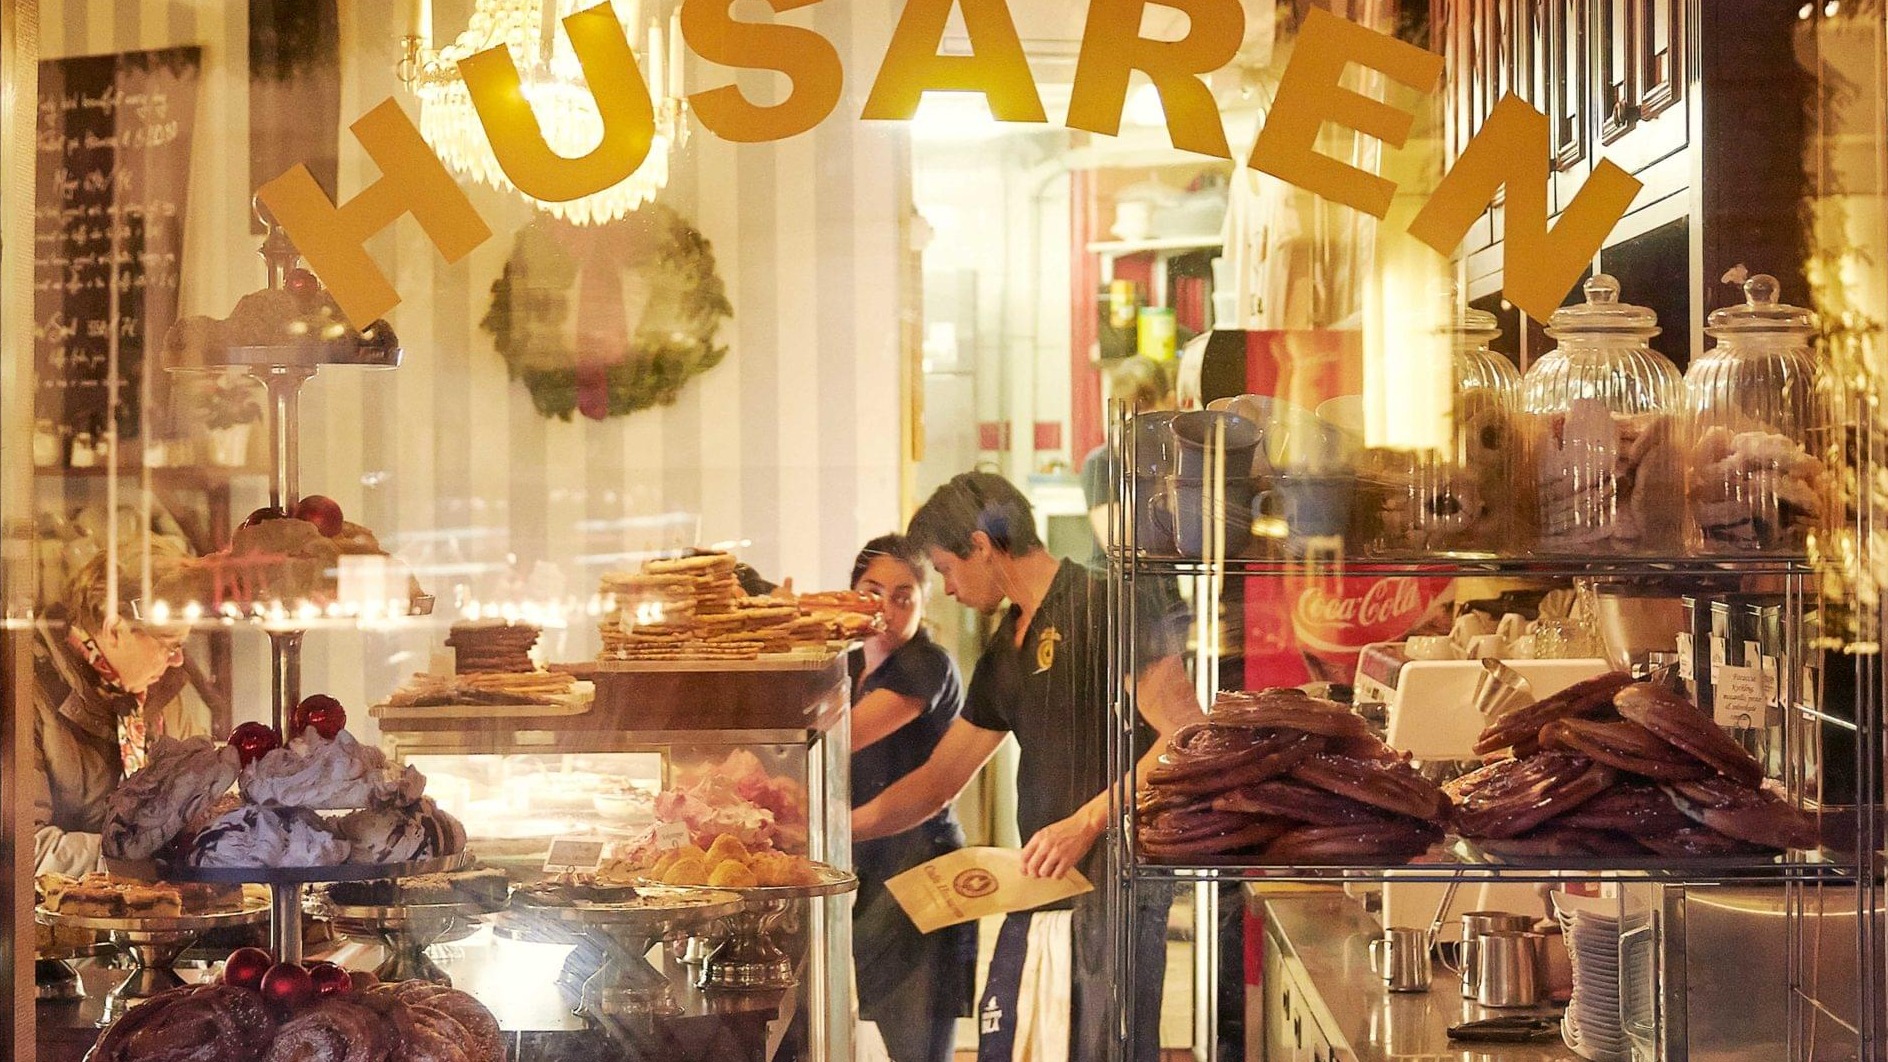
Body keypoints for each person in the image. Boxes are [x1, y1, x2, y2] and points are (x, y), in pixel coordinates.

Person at [852, 472, 1202, 1062]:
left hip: (1117, 888)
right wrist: (833, 831)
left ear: (982, 547)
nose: (949, 587)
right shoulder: (1004, 649)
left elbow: (1187, 732)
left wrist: (1085, 823)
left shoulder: (1108, 601)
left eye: (945, 568)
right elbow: (938, 781)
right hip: (1041, 885)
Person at [846, 535, 975, 1062]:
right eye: (871, 591)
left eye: (904, 596)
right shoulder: (845, 666)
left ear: (924, 603)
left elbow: (842, 737)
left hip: (922, 862)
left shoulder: (928, 665)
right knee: (868, 1015)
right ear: (850, 592)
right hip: (863, 858)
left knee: (918, 1037)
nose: (885, 607)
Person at [34, 547, 196, 876]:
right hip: (59, 922)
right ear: (114, 629)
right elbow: (25, 850)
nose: (177, 660)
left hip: (156, 918)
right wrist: (138, 863)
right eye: (169, 644)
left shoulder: (164, 699)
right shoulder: (27, 695)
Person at [1081, 355, 1177, 567]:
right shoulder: (1102, 462)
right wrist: (1134, 465)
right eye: (1128, 412)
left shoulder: (1179, 459)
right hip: (1111, 589)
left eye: (1146, 407)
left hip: (1163, 589)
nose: (1138, 421)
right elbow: (1118, 546)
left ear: (1170, 402)